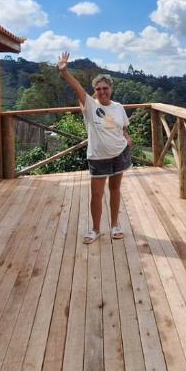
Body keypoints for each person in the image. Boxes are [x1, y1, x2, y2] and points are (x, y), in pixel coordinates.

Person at [57, 52, 133, 244]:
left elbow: (121, 126)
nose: (102, 91)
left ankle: (115, 225)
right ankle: (95, 229)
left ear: (111, 88)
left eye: (105, 88)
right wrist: (64, 72)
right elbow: (77, 88)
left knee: (115, 190)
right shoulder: (90, 105)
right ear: (95, 91)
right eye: (98, 89)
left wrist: (126, 136)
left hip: (119, 154)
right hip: (98, 158)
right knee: (97, 195)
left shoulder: (118, 107)